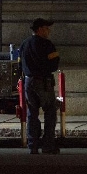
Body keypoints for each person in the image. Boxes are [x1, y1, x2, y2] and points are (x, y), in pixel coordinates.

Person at [19, 18, 61, 155]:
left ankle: (33, 145)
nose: (49, 31)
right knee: (50, 112)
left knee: (32, 113)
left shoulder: (24, 44)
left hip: (28, 82)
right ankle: (48, 145)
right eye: (46, 28)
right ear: (39, 29)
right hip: (43, 82)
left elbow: (20, 64)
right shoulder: (47, 44)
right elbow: (55, 64)